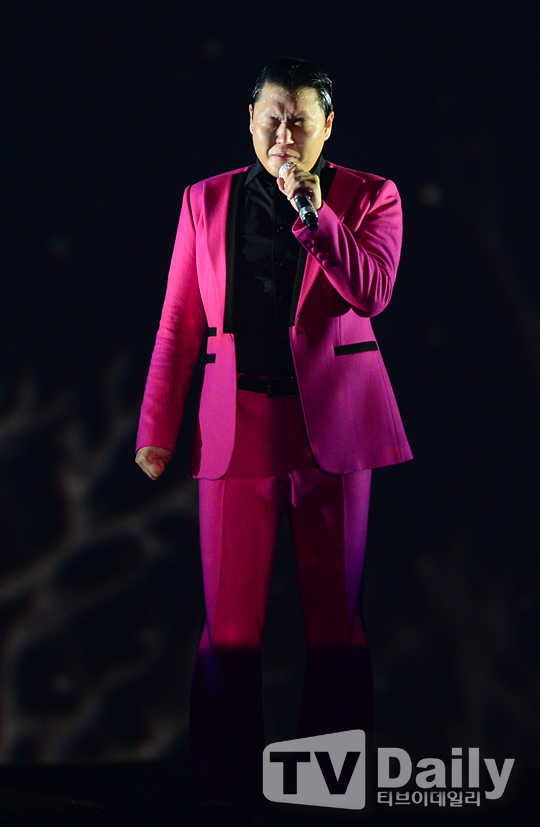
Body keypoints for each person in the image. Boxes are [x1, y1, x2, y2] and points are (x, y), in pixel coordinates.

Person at [135, 58, 412, 813]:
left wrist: (314, 215)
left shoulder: (370, 196)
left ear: (328, 127)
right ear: (250, 122)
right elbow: (178, 320)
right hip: (238, 422)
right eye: (272, 121)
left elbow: (371, 292)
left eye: (300, 122)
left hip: (336, 425)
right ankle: (225, 787)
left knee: (334, 623)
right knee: (229, 626)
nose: (284, 136)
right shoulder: (205, 199)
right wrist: (157, 427)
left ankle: (330, 787)